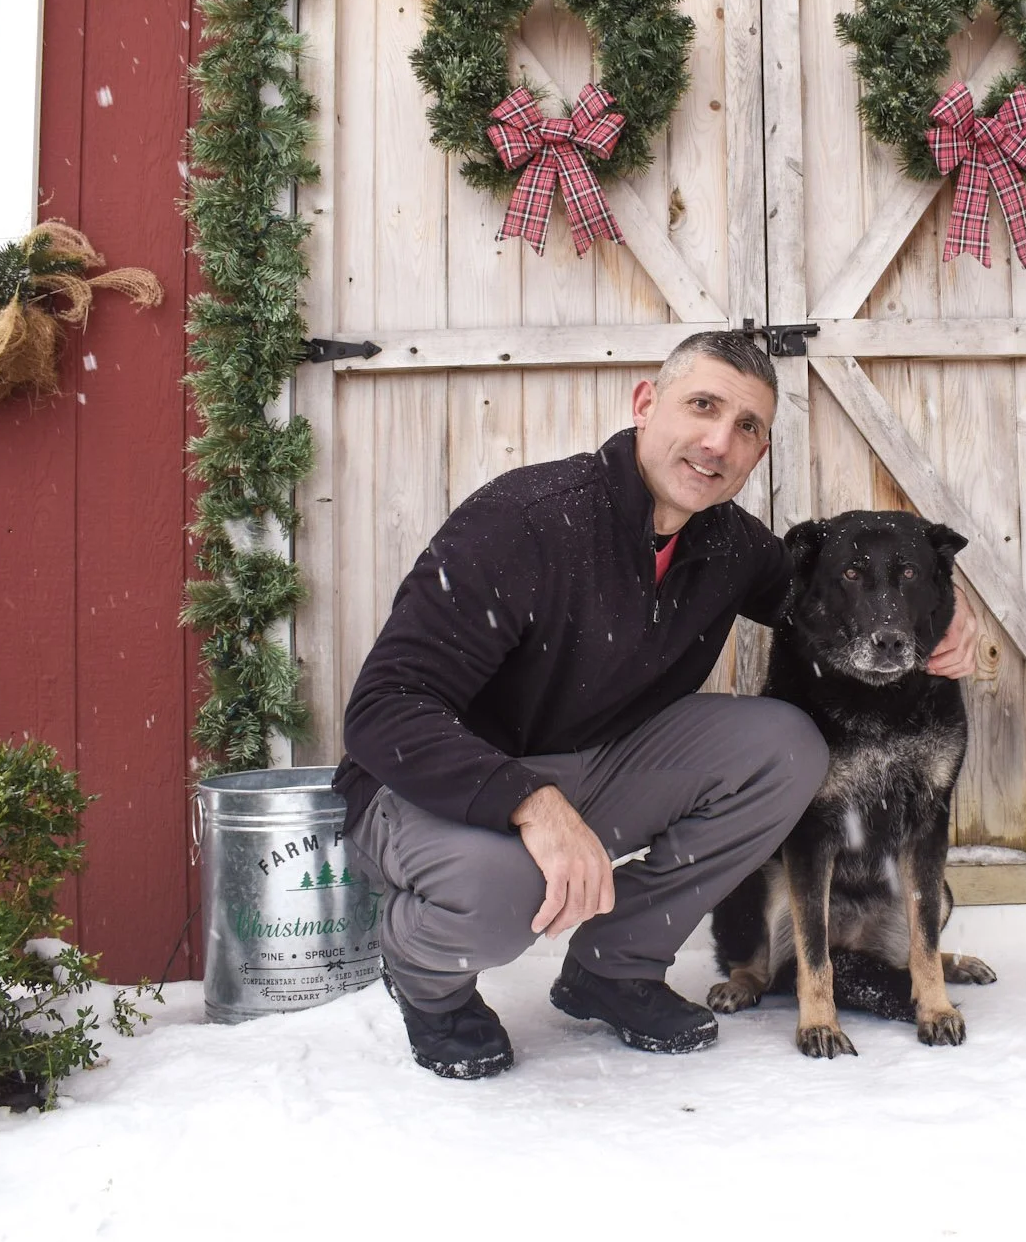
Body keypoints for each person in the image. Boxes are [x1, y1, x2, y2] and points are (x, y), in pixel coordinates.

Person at [335, 330, 978, 1078]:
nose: (717, 442)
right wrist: (531, 803)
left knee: (787, 746)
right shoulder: (524, 521)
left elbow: (833, 595)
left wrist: (949, 610)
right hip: (431, 783)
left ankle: (614, 966)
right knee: (501, 891)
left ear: (758, 454)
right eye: (701, 406)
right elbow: (381, 709)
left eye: (746, 427)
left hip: (586, 764)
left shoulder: (728, 546)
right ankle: (424, 974)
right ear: (646, 404)